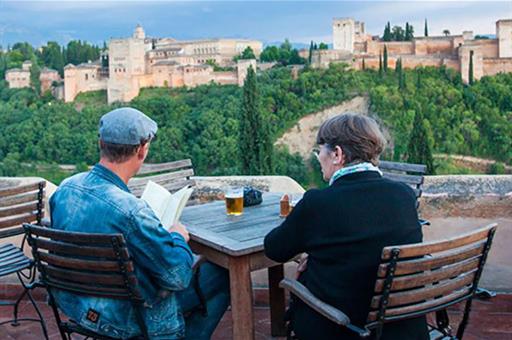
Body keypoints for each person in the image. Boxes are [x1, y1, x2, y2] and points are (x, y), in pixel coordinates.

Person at [50, 107, 230, 339]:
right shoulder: (132, 211)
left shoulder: (66, 188)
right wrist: (177, 236)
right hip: (126, 319)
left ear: (100, 144)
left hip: (79, 307)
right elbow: (178, 276)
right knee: (219, 274)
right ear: (142, 150)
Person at [264, 113, 428, 340]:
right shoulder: (404, 195)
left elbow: (274, 248)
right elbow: (367, 244)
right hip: (405, 329)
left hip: (345, 329)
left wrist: (312, 250)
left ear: (337, 154)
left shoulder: (318, 203)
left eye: (320, 150)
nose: (318, 157)